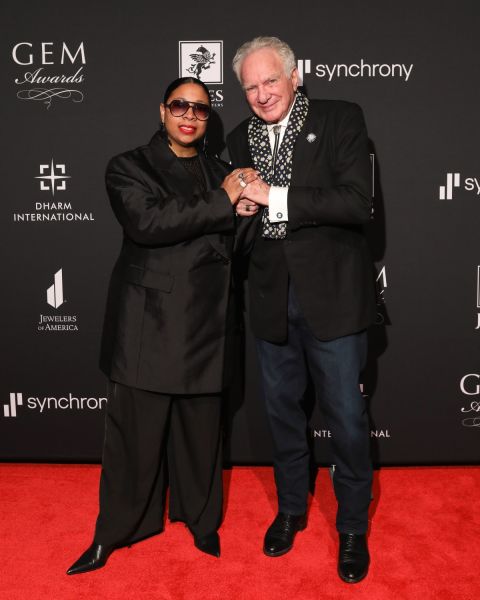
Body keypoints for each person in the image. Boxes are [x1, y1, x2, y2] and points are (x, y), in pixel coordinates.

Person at [66, 76, 258, 575]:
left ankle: (202, 520)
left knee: (201, 435)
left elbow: (233, 247)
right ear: (162, 111)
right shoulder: (129, 166)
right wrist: (223, 202)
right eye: (180, 106)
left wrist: (247, 212)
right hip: (148, 324)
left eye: (200, 109)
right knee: (133, 438)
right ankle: (116, 530)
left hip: (208, 323)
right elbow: (147, 223)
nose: (190, 115)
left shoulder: (222, 172)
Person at [228, 37, 376, 584]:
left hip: (332, 296)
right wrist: (242, 208)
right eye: (250, 87)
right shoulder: (239, 138)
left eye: (270, 81)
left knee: (347, 418)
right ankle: (291, 508)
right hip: (270, 295)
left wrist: (274, 195)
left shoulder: (340, 118)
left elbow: (356, 201)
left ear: (295, 77)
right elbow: (242, 225)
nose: (261, 94)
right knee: (282, 415)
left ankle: (352, 527)